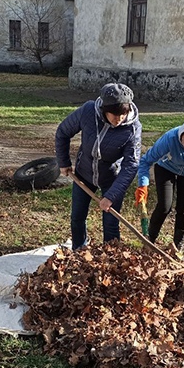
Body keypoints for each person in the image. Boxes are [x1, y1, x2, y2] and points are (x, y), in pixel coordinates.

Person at [55, 83, 142, 249]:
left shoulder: (133, 129)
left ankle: (110, 259)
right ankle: (79, 252)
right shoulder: (88, 111)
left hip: (111, 179)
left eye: (123, 114)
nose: (119, 119)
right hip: (84, 173)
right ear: (104, 109)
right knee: (77, 217)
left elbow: (131, 165)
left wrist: (111, 195)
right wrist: (64, 162)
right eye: (114, 115)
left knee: (111, 223)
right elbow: (63, 132)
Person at [134, 111, 184, 253]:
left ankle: (178, 246)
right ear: (181, 135)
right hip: (166, 168)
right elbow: (146, 161)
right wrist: (143, 185)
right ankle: (149, 240)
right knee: (165, 206)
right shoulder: (169, 139)